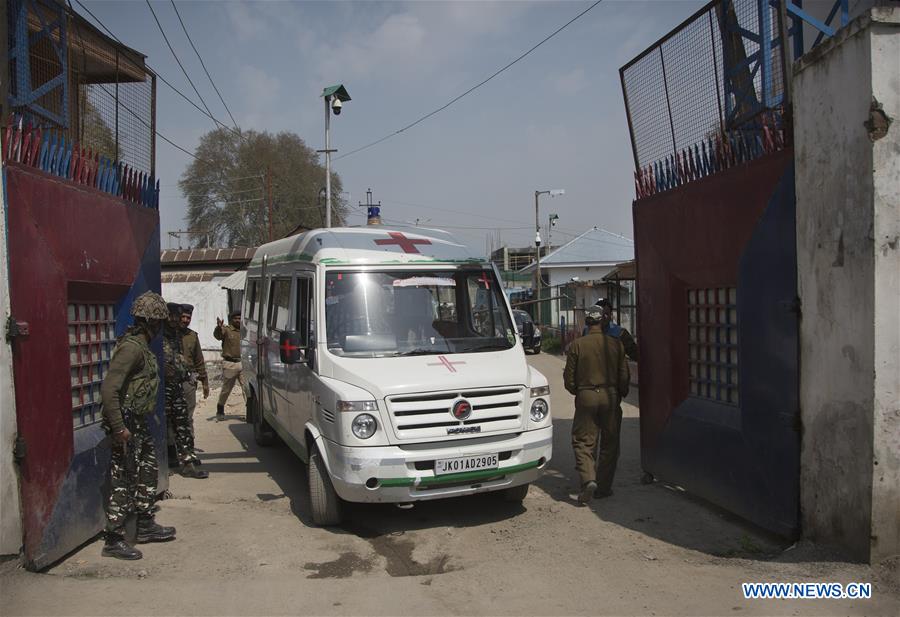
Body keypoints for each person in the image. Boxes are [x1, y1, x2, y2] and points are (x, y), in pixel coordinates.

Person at [99, 291, 176, 560]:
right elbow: (110, 389)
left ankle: (144, 525)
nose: (160, 328)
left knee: (147, 471)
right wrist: (119, 427)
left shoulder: (142, 346)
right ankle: (113, 538)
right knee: (124, 478)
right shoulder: (131, 348)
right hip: (126, 422)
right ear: (150, 323)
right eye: (159, 323)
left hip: (138, 421)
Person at [564, 306, 630, 504]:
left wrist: (579, 391)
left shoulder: (577, 345)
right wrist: (620, 393)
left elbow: (569, 379)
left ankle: (588, 480)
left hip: (587, 395)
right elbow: (624, 375)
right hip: (610, 396)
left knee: (583, 441)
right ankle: (603, 488)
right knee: (610, 442)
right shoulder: (616, 344)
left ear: (587, 322)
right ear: (603, 321)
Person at [164, 303, 208, 479]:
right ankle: (171, 456)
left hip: (181, 384)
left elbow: (196, 359)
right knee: (168, 424)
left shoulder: (181, 335)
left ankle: (188, 463)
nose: (178, 320)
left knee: (184, 423)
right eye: (174, 317)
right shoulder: (159, 335)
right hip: (165, 387)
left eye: (180, 316)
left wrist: (203, 381)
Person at [179, 304, 209, 448]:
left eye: (188, 318)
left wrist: (205, 382)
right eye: (183, 317)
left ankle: (188, 448)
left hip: (188, 382)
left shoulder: (192, 336)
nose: (185, 320)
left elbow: (199, 360)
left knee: (187, 416)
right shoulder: (167, 334)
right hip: (171, 382)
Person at [214, 309, 245, 419]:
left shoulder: (245, 330)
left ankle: (250, 412)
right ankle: (220, 408)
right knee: (226, 389)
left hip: (243, 363)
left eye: (239, 318)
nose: (238, 320)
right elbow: (218, 336)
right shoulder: (227, 330)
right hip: (230, 363)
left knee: (246, 389)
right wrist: (218, 327)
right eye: (236, 318)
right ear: (232, 320)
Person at [593, 298, 639, 362]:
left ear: (610, 315)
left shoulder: (620, 333)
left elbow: (636, 355)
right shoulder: (587, 331)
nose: (603, 317)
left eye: (606, 314)